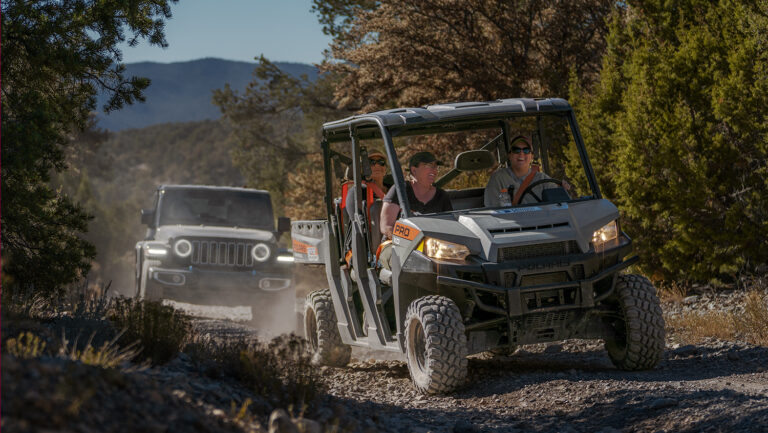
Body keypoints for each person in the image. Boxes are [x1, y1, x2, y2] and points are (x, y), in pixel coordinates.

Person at [483, 135, 566, 207]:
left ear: (532, 156)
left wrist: (563, 191)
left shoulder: (543, 179)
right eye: (516, 150)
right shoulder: (498, 178)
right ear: (509, 155)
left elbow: (560, 205)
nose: (521, 154)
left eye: (526, 150)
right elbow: (492, 211)